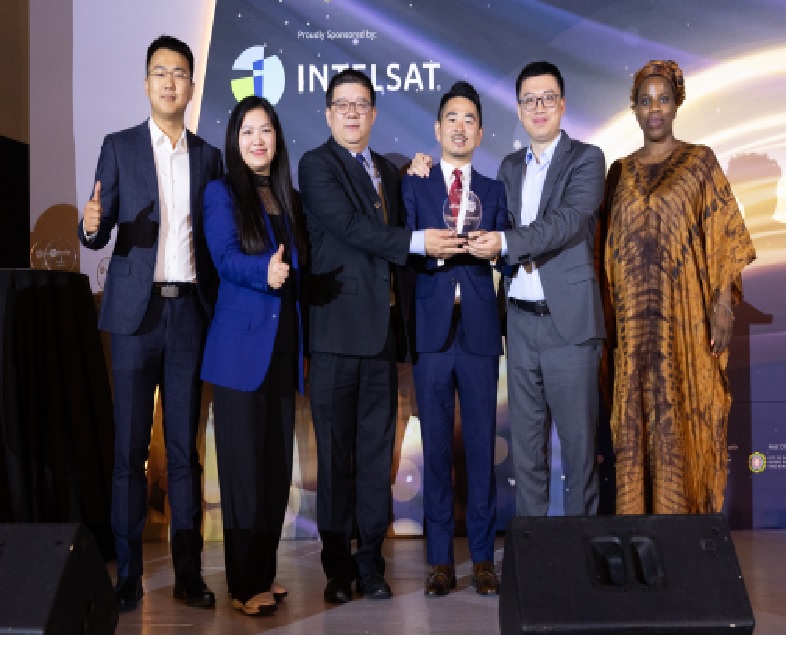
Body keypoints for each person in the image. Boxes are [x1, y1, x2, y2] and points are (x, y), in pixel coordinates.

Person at [298, 68, 463, 604]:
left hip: (381, 338)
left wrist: (419, 170)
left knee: (375, 459)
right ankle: (336, 569)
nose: (352, 113)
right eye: (342, 104)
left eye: (361, 104)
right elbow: (352, 228)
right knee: (335, 459)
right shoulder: (316, 165)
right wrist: (416, 241)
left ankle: (371, 563)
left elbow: (409, 196)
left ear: (373, 113)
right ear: (329, 113)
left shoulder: (389, 172)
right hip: (334, 335)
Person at [77, 35, 222, 611]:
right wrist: (92, 226)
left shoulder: (209, 157)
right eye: (160, 72)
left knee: (184, 452)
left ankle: (189, 574)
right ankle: (128, 575)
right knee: (129, 453)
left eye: (179, 73)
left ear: (191, 85)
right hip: (134, 319)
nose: (169, 82)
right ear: (146, 84)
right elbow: (97, 227)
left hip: (188, 315)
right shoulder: (119, 147)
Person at [601, 60, 755, 514]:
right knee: (633, 422)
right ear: (634, 108)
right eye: (645, 101)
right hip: (631, 329)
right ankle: (637, 530)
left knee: (682, 412)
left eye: (663, 99)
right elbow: (604, 252)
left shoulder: (699, 162)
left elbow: (723, 237)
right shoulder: (618, 173)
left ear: (676, 105)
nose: (654, 109)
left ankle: (683, 531)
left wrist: (722, 305)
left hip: (683, 324)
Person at [464, 61, 606, 517]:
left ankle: (580, 555)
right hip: (521, 325)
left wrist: (506, 243)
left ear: (562, 104)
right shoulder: (509, 167)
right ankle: (533, 552)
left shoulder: (587, 159)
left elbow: (567, 222)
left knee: (579, 455)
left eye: (547, 98)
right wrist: (425, 168)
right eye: (529, 100)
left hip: (571, 325)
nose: (539, 107)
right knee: (527, 456)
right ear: (519, 109)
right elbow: (486, 216)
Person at [200, 95, 306, 616]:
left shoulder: (288, 197)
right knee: (243, 473)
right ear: (235, 141)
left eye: (265, 130)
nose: (258, 140)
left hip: (283, 348)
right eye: (248, 131)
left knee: (274, 470)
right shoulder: (221, 193)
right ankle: (244, 585)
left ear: (277, 138)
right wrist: (263, 271)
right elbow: (223, 258)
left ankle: (262, 571)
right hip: (240, 351)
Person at [401, 81, 507, 597]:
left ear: (480, 133)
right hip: (433, 330)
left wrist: (496, 247)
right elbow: (400, 245)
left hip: (480, 330)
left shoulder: (494, 189)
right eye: (452, 118)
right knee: (437, 449)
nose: (460, 127)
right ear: (437, 128)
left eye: (469, 120)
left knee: (481, 449)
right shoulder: (415, 184)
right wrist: (428, 247)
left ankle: (483, 558)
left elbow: (508, 248)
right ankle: (440, 560)